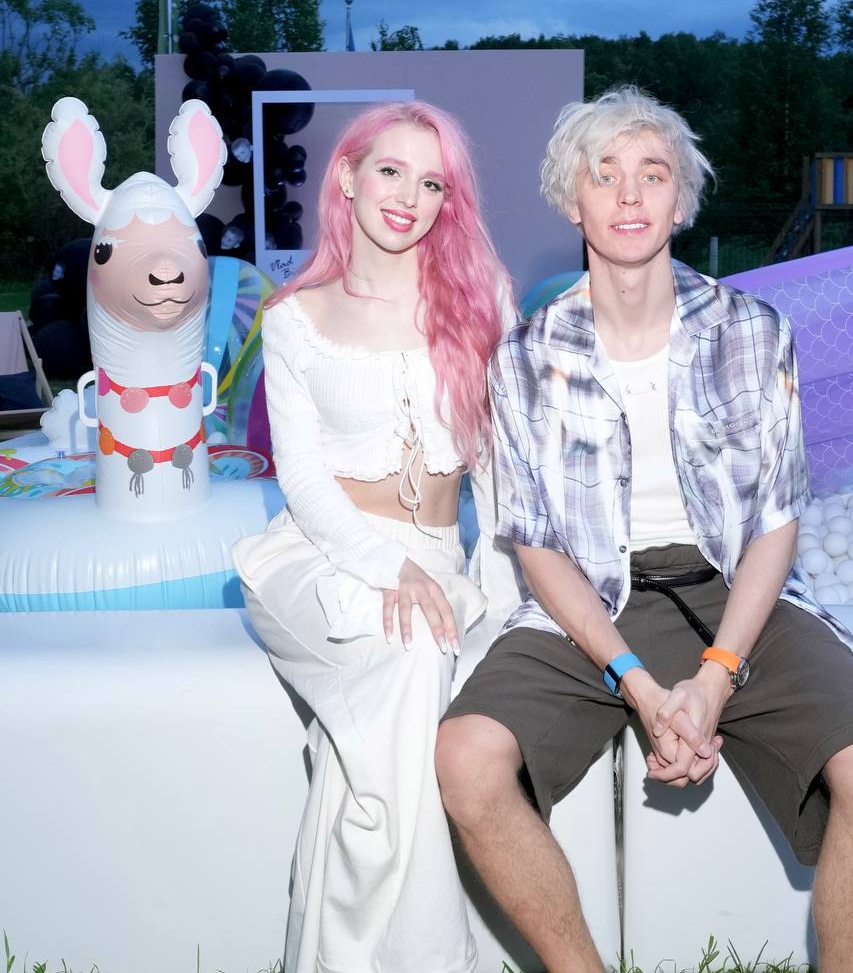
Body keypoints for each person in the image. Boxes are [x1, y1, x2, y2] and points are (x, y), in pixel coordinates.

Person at [436, 86, 853, 973]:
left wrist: (714, 675)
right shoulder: (525, 356)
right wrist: (631, 677)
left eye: (651, 174)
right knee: (466, 758)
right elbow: (536, 544)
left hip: (735, 590)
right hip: (589, 602)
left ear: (679, 199)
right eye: (604, 174)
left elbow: (776, 522)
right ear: (571, 199)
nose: (628, 195)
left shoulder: (753, 331)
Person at [233, 100, 519, 973]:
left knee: (371, 743)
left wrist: (503, 590)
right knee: (411, 653)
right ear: (348, 177)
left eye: (432, 184)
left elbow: (501, 470)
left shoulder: (480, 300)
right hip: (318, 554)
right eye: (390, 171)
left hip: (436, 556)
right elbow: (301, 480)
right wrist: (385, 564)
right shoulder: (295, 316)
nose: (408, 197)